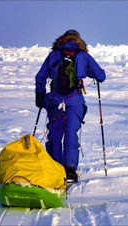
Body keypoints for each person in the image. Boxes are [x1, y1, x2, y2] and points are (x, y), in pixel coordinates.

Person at [35, 29, 106, 182]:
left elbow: (40, 77)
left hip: (54, 100)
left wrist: (40, 96)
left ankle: (54, 167)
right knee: (71, 132)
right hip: (75, 101)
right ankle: (70, 169)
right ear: (78, 40)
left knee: (54, 134)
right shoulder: (83, 55)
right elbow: (101, 76)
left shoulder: (54, 54)